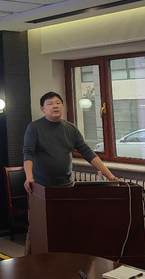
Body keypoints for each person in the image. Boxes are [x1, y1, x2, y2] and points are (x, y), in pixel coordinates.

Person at [22, 91, 119, 254]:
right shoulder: (34, 128)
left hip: (66, 186)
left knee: (67, 226)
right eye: (50, 103)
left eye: (58, 103)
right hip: (40, 188)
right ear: (42, 109)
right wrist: (29, 177)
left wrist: (110, 176)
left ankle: (64, 262)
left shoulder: (71, 128)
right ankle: (28, 264)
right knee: (37, 229)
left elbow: (88, 153)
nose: (55, 106)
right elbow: (28, 153)